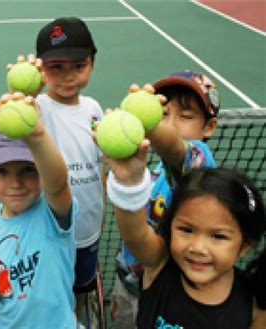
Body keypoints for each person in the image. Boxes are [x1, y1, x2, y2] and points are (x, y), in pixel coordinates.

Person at [103, 136, 266, 328]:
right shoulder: (159, 264)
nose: (197, 247)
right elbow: (135, 233)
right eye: (186, 230)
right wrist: (128, 182)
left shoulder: (253, 304)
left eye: (218, 236)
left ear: (245, 245)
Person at [110, 72, 221, 328]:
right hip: (128, 281)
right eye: (164, 114)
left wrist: (150, 124)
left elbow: (174, 147)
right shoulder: (156, 169)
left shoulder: (200, 167)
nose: (171, 124)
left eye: (185, 116)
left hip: (167, 291)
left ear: (209, 127)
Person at [0, 93, 77, 329]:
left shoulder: (52, 213)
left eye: (28, 170)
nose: (15, 182)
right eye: (2, 172)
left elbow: (58, 183)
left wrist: (37, 136)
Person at [34, 17, 105, 325]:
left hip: (88, 231)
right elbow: (16, 119)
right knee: (50, 293)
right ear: (40, 69)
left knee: (80, 290)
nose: (68, 77)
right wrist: (25, 90)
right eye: (56, 68)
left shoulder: (94, 108)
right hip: (49, 233)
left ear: (92, 62)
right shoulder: (36, 107)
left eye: (78, 66)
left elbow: (100, 165)